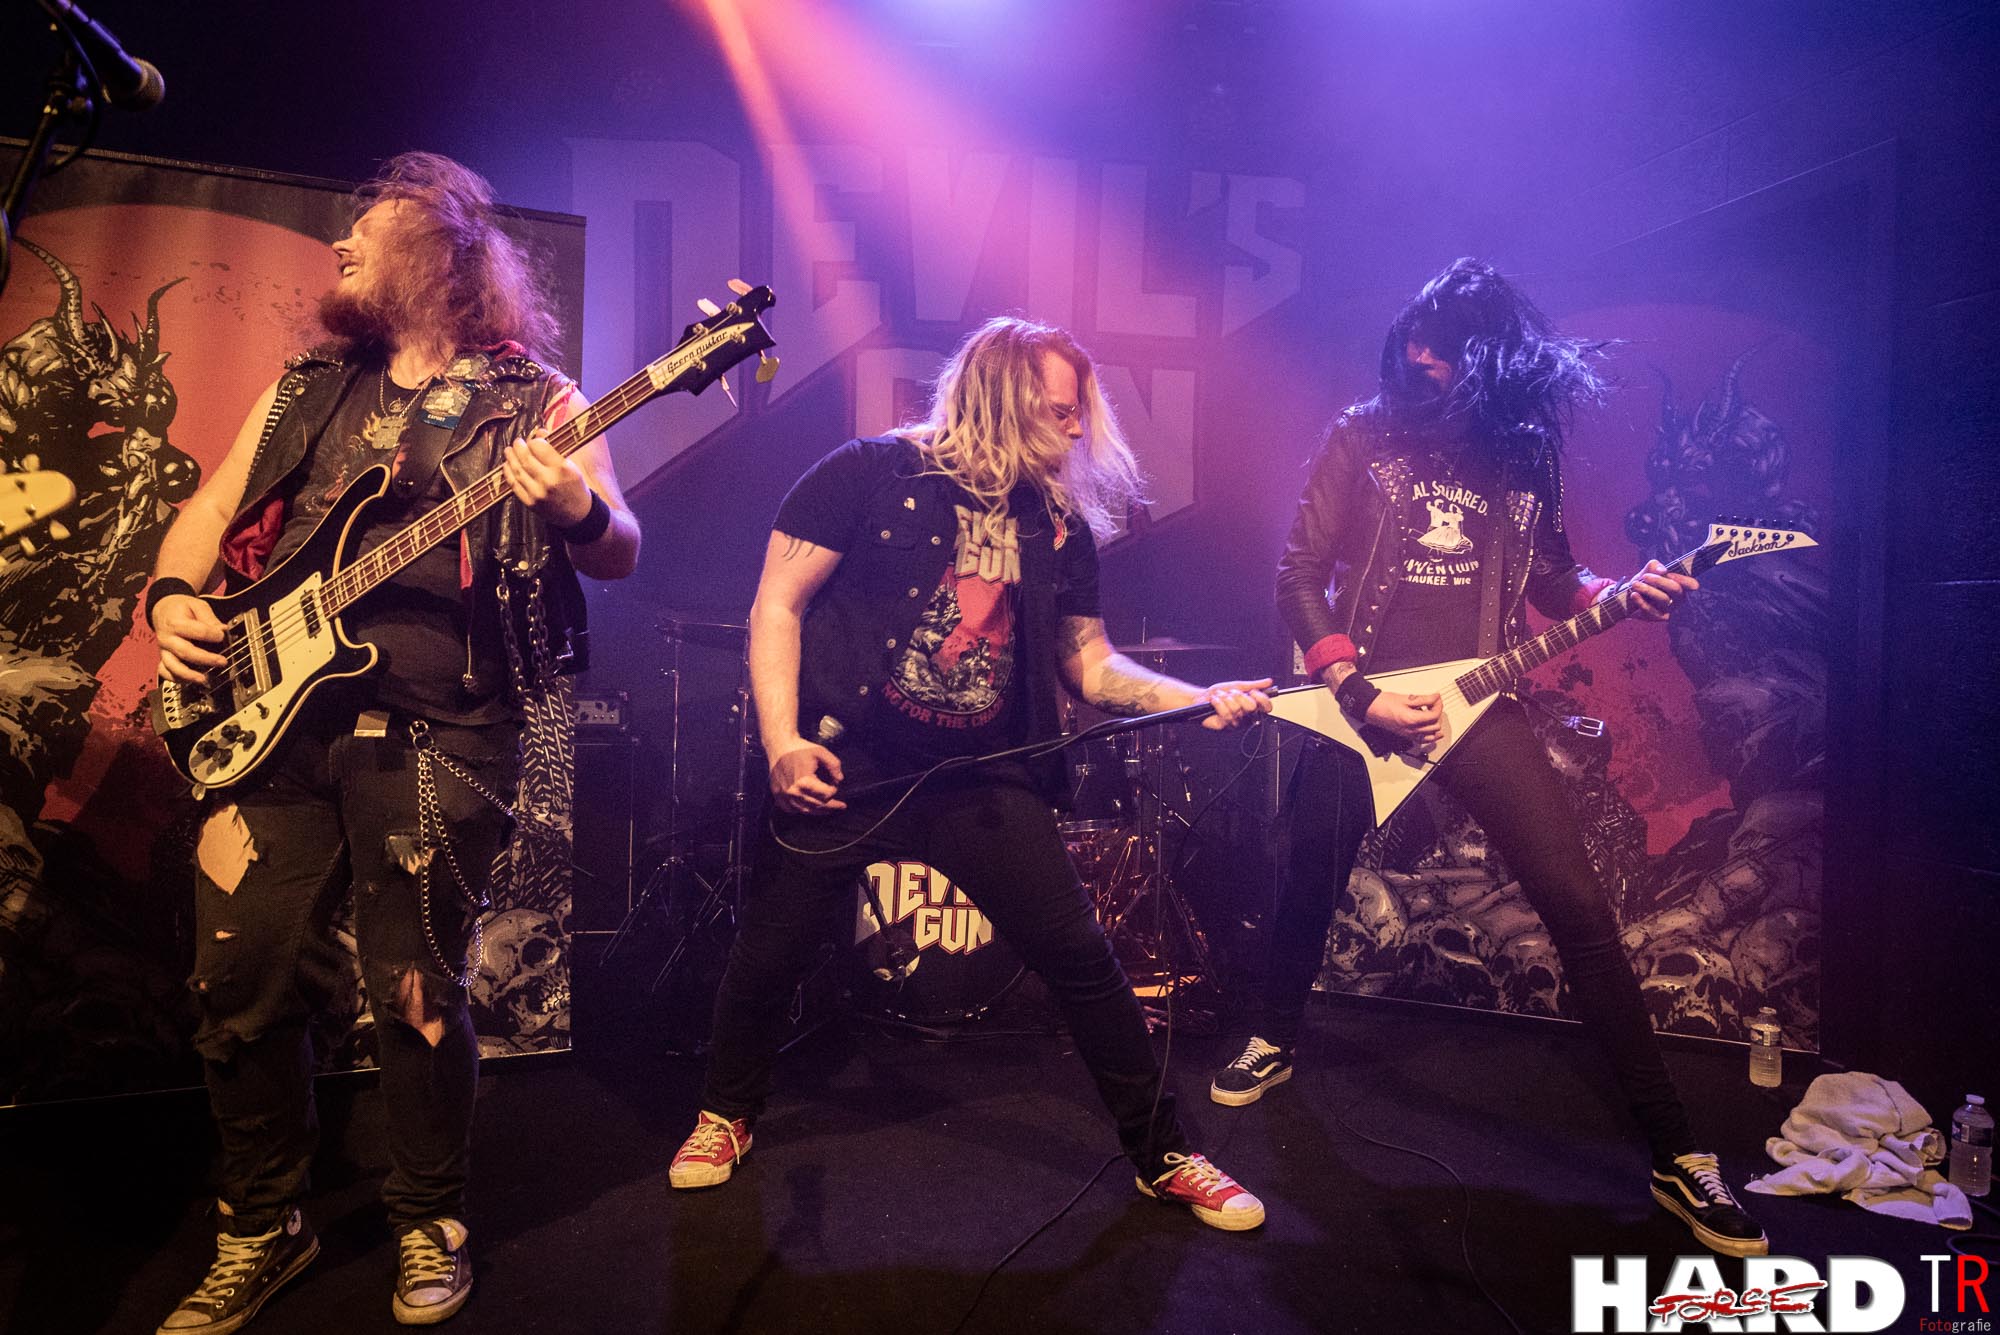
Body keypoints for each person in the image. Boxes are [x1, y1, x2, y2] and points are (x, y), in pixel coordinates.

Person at [147, 152, 640, 1332]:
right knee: (238, 975)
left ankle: (429, 1217)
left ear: (438, 249)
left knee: (414, 986)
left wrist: (574, 507)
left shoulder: (538, 397)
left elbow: (620, 545)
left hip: (444, 726)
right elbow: (209, 512)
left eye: (365, 231)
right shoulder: (309, 386)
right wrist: (169, 597)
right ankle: (262, 1224)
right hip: (272, 723)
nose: (341, 245)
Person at [1209, 258, 1768, 1258]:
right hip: (1362, 701)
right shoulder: (1362, 433)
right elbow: (1297, 576)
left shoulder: (1521, 453)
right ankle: (1273, 1037)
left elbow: (1552, 575)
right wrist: (1356, 691)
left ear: (1490, 359)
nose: (1417, 357)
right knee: (1307, 875)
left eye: (1441, 348)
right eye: (1412, 342)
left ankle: (1677, 1152)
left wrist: (1616, 594)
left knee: (1580, 913)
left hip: (1478, 704)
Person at [670, 316, 1274, 1231]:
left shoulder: (1055, 525)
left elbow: (1090, 663)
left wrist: (1195, 698)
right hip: (851, 764)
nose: (1078, 429)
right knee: (770, 951)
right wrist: (783, 739)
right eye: (1062, 410)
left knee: (1082, 960)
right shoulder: (868, 473)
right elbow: (776, 605)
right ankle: (725, 1114)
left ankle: (1165, 1154)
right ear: (1003, 395)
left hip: (982, 776)